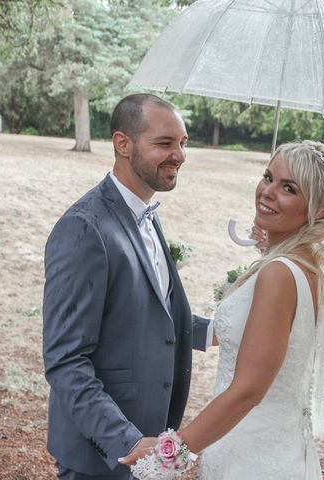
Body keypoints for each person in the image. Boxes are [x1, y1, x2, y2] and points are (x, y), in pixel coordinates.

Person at [119, 140, 324, 479]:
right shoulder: (308, 268)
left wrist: (171, 454)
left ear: (322, 208)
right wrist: (271, 245)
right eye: (268, 177)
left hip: (253, 458)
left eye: (289, 188)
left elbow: (248, 391)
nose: (267, 192)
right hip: (266, 445)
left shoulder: (279, 274)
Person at [42, 93, 211, 480]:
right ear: (123, 144)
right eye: (165, 143)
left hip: (149, 440)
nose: (180, 155)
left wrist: (214, 330)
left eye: (182, 143)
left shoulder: (146, 214)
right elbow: (65, 360)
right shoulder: (84, 228)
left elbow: (143, 312)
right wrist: (127, 441)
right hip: (101, 456)